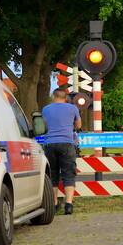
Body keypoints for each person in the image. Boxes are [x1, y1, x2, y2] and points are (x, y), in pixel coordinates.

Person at [42, 87, 82, 215]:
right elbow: (78, 125)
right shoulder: (73, 108)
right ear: (66, 98)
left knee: (52, 174)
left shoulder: (46, 109)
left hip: (50, 144)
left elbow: (44, 126)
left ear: (53, 97)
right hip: (67, 144)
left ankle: (54, 204)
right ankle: (68, 205)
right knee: (68, 174)